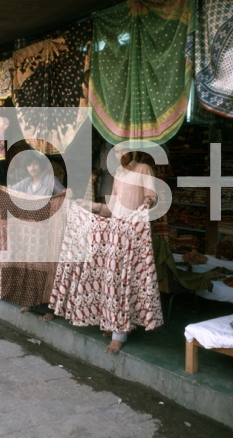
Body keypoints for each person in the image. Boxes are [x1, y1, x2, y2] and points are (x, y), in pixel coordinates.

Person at [77, 146, 158, 354]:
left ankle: (118, 334)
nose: (118, 155)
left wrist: (148, 202)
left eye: (123, 151)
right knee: (111, 280)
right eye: (115, 152)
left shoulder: (143, 169)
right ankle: (114, 323)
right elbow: (112, 208)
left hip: (133, 234)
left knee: (124, 281)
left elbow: (152, 196)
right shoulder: (119, 173)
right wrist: (90, 205)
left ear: (132, 151)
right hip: (115, 232)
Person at [9, 151, 65, 322]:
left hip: (46, 232)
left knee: (46, 269)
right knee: (30, 268)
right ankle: (32, 303)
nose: (32, 168)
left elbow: (63, 195)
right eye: (29, 165)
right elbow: (8, 191)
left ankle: (50, 309)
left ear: (41, 165)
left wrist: (66, 194)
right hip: (29, 232)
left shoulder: (50, 181)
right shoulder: (25, 182)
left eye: (35, 164)